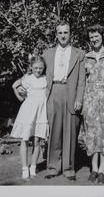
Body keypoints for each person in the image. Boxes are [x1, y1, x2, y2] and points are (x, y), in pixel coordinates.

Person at [43, 20, 85, 181]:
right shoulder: (47, 54)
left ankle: (68, 168)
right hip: (53, 91)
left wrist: (79, 99)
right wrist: (20, 84)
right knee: (54, 131)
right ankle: (53, 167)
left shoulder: (79, 53)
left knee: (70, 132)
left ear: (70, 34)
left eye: (65, 32)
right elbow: (35, 71)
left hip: (71, 93)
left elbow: (82, 80)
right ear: (56, 35)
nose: (63, 35)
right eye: (60, 32)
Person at [79, 24, 104, 184]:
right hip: (90, 102)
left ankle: (103, 169)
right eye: (91, 37)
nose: (94, 39)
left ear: (102, 36)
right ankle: (94, 168)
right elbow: (81, 81)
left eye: (97, 36)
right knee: (92, 134)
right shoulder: (85, 57)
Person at [11, 56, 49, 180]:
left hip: (41, 112)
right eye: (36, 68)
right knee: (25, 140)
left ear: (44, 68)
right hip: (28, 111)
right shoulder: (27, 78)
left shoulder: (46, 79)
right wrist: (16, 91)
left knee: (37, 140)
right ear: (31, 68)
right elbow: (15, 87)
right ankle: (24, 168)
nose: (38, 70)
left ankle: (33, 167)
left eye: (41, 68)